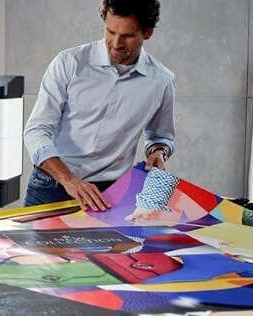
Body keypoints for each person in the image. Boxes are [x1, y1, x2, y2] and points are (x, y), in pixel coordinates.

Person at [23, 0, 175, 212]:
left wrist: (159, 153)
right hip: (51, 186)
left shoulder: (161, 81)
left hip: (111, 194)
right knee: (34, 247)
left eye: (128, 36)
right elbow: (36, 130)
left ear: (147, 33)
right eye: (110, 31)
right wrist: (69, 180)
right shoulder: (69, 63)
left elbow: (161, 137)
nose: (116, 43)